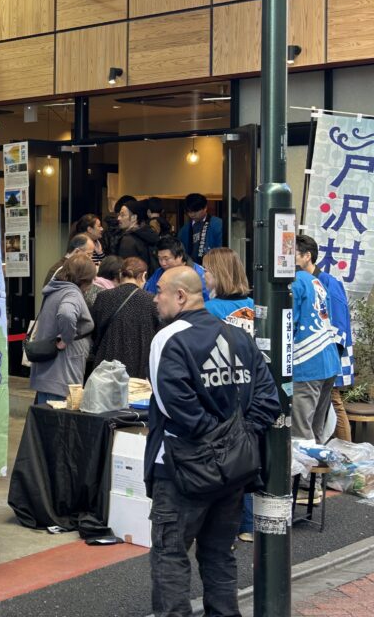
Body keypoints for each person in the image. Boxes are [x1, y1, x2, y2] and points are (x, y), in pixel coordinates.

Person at [147, 267, 279, 617]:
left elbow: (174, 404)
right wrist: (238, 438)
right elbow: (268, 400)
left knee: (170, 553)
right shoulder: (239, 337)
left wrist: (214, 439)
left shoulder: (169, 338)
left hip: (183, 466)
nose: (155, 298)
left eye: (159, 291)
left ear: (180, 296)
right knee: (220, 553)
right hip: (235, 467)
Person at [202, 247, 257, 543]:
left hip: (222, 387)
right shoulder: (252, 305)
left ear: (218, 274)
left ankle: (223, 525)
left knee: (222, 457)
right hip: (250, 387)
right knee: (245, 455)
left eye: (207, 271)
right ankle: (247, 523)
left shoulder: (211, 310)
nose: (204, 276)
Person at [291, 236, 343, 443]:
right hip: (328, 360)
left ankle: (305, 466)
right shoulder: (316, 281)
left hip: (307, 362)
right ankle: (318, 464)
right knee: (316, 429)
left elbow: (289, 322)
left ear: (307, 256)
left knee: (301, 435)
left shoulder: (295, 282)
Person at [27, 253, 95, 404]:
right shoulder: (72, 293)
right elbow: (66, 314)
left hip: (48, 374)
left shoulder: (54, 290)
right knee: (57, 416)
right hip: (63, 375)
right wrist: (66, 339)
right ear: (85, 279)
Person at [88, 257, 158, 380]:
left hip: (106, 361)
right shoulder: (151, 301)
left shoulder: (103, 297)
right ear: (143, 276)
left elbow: (95, 331)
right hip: (138, 365)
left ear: (120, 274)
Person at [144, 236, 209, 298]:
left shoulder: (199, 274)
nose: (163, 263)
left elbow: (205, 300)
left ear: (180, 256)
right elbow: (149, 294)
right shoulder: (159, 272)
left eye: (166, 259)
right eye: (160, 259)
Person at [178, 193, 224, 264]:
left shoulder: (218, 224)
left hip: (214, 264)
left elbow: (222, 250)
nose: (192, 214)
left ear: (205, 208)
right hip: (190, 266)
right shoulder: (184, 230)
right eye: (189, 212)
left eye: (195, 211)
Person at [116, 200, 160, 272]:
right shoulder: (147, 234)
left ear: (134, 217)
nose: (118, 218)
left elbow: (126, 270)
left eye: (122, 215)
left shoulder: (128, 240)